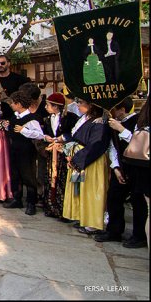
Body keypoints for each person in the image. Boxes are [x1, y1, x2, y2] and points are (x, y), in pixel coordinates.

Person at [99, 97, 147, 248]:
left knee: (138, 202)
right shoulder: (111, 124)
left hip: (137, 167)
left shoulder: (138, 121)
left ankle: (139, 236)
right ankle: (114, 230)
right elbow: (112, 146)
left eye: (114, 109)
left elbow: (138, 143)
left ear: (122, 109)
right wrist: (116, 167)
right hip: (121, 166)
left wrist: (121, 129)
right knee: (114, 197)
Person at [62, 99, 112, 234]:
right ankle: (83, 217)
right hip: (80, 157)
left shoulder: (99, 123)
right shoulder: (85, 119)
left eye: (81, 103)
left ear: (90, 105)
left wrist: (77, 159)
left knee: (92, 191)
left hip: (91, 160)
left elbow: (96, 145)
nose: (78, 105)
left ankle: (93, 223)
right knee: (80, 190)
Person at [3, 91, 45, 215]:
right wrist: (7, 126)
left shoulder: (32, 118)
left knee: (28, 175)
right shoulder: (15, 116)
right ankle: (17, 198)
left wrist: (24, 130)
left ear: (19, 104)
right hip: (14, 149)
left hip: (26, 151)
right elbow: (12, 130)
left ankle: (31, 203)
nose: (11, 105)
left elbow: (39, 134)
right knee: (15, 174)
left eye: (13, 103)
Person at [40, 92, 78, 219]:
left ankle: (63, 209)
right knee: (50, 178)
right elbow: (44, 133)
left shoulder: (70, 118)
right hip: (52, 153)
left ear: (56, 106)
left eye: (48, 105)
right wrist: (46, 137)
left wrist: (63, 138)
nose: (46, 107)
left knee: (62, 179)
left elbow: (75, 132)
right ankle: (51, 207)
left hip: (64, 153)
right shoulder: (46, 119)